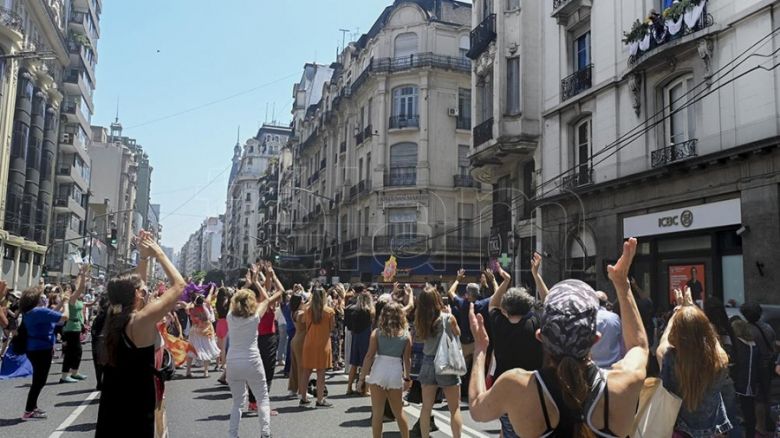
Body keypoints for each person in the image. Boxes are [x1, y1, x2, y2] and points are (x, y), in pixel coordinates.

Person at [468, 238, 649, 438]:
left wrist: (480, 350)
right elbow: (639, 347)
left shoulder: (516, 386)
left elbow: (476, 408)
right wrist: (622, 284)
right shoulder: (622, 384)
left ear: (540, 337)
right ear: (595, 338)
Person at [96, 231, 186, 437]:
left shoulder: (115, 313)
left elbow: (138, 282)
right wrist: (159, 253)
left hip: (115, 397)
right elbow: (179, 284)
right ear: (138, 295)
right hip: (137, 398)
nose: (146, 290)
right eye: (143, 290)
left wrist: (144, 257)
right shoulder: (140, 320)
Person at [657, 287, 732, 437]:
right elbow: (709, 334)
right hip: (713, 431)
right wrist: (692, 309)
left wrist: (677, 312)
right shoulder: (720, 358)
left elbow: (664, 341)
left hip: (681, 430)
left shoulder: (670, 357)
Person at [484, 263, 541, 438]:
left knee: (509, 429)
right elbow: (549, 302)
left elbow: (492, 305)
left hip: (505, 389)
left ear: (506, 308)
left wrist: (505, 280)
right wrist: (536, 275)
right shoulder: (535, 323)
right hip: (533, 389)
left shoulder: (499, 323)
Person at [226, 286, 282, 438]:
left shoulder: (230, 316)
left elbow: (238, 298)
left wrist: (249, 282)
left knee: (237, 403)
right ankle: (265, 433)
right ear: (252, 303)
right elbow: (268, 299)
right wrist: (259, 282)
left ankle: (232, 434)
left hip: (233, 362)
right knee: (262, 398)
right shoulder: (255, 316)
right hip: (252, 361)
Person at [415, 285, 463, 438]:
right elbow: (458, 334)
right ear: (437, 299)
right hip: (446, 361)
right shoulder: (447, 318)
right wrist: (449, 314)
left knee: (426, 408)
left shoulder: (420, 319)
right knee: (454, 408)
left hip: (428, 361)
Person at [358, 302, 412, 438]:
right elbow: (407, 360)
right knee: (399, 412)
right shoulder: (406, 335)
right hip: (395, 371)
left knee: (377, 414)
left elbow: (369, 356)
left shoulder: (377, 333)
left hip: (379, 369)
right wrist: (407, 378)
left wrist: (362, 378)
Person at [19, 286, 70, 420]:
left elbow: (51, 313)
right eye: (41, 297)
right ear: (35, 299)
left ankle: (32, 407)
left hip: (34, 348)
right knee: (39, 381)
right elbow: (64, 317)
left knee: (38, 380)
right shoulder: (39, 312)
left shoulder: (30, 312)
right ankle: (28, 411)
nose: (44, 299)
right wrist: (65, 303)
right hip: (42, 350)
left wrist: (60, 303)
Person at [740, 302, 776, 435]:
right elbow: (773, 344)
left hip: (753, 365)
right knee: (765, 394)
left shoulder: (746, 330)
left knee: (755, 396)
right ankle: (767, 422)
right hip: (767, 365)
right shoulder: (767, 327)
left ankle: (759, 426)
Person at [300, 287, 335, 407]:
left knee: (306, 372)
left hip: (309, 343)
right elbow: (332, 328)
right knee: (321, 373)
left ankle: (303, 398)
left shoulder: (308, 310)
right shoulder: (329, 311)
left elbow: (304, 322)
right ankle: (320, 399)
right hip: (323, 344)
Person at [60, 264, 90, 384]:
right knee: (72, 352)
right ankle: (64, 376)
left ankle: (74, 372)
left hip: (76, 328)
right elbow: (81, 287)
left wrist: (81, 273)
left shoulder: (76, 300)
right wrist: (83, 276)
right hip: (71, 328)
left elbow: (78, 285)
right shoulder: (72, 299)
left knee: (76, 351)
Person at [731, 318, 760, 438]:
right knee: (749, 411)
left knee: (738, 411)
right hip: (750, 382)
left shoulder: (737, 344)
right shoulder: (753, 345)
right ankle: (750, 434)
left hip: (740, 382)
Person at [185, 290, 221, 378]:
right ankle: (206, 372)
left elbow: (186, 309)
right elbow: (211, 318)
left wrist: (191, 302)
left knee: (191, 350)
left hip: (194, 330)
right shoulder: (205, 309)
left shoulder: (192, 309)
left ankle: (188, 371)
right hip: (205, 331)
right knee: (207, 349)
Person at [345, 290, 374, 395]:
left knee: (354, 364)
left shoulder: (353, 311)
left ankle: (349, 387)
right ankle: (365, 389)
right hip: (365, 338)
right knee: (366, 365)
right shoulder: (369, 312)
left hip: (355, 337)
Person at [591, 291, 625, 368]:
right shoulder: (615, 317)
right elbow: (622, 342)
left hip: (593, 368)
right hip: (613, 365)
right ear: (606, 303)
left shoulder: (587, 318)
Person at [287, 293, 305, 397]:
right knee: (302, 366)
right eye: (302, 300)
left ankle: (293, 388)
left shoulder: (293, 312)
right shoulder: (301, 313)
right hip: (301, 340)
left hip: (295, 339)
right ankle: (302, 390)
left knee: (294, 366)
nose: (304, 301)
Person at [91, 295, 109, 391]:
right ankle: (101, 383)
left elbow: (93, 331)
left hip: (97, 343)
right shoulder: (107, 315)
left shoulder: (99, 316)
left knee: (98, 365)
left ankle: (99, 383)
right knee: (105, 365)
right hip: (103, 343)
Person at [214, 287, 231, 372]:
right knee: (224, 347)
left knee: (218, 346)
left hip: (219, 323)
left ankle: (217, 364)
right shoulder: (227, 302)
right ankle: (223, 364)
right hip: (225, 323)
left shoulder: (217, 302)